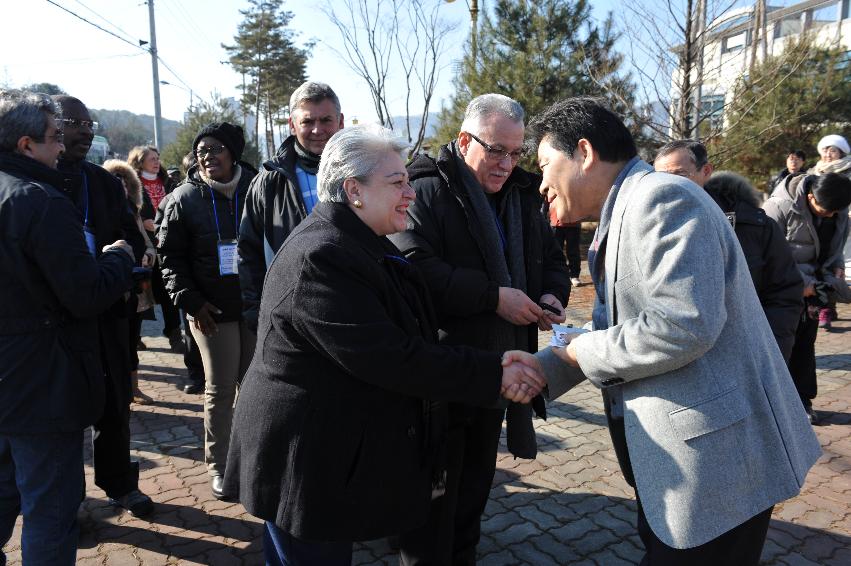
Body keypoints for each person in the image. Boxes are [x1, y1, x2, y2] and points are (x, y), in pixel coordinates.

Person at [223, 124, 547, 566]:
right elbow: (392, 357)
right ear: (353, 189)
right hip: (303, 460)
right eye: (397, 183)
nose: (410, 194)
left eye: (408, 181)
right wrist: (494, 373)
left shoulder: (359, 243)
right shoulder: (323, 256)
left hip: (327, 450)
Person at [527, 97, 821, 565]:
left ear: (583, 152)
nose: (541, 183)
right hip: (682, 461)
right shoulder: (624, 211)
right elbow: (617, 328)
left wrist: (576, 353)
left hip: (719, 464)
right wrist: (546, 367)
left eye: (545, 165)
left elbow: (683, 325)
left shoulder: (662, 198)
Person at [389, 93, 570, 565]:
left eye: (516, 152)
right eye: (496, 150)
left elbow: (552, 259)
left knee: (472, 494)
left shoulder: (524, 196)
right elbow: (412, 263)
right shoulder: (424, 188)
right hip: (440, 375)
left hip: (499, 372)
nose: (507, 164)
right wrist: (492, 297)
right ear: (465, 140)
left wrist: (553, 295)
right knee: (431, 504)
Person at [0, 89, 134, 565]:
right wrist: (117, 260)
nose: (63, 146)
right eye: (55, 137)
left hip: (11, 380)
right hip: (43, 385)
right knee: (51, 512)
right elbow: (85, 294)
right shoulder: (41, 200)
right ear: (25, 145)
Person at [53, 95, 154, 517]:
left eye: (88, 121)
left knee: (115, 402)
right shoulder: (33, 181)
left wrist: (134, 259)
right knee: (63, 411)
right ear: (51, 127)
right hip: (56, 318)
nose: (85, 130)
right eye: (74, 122)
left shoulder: (103, 182)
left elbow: (126, 234)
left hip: (109, 308)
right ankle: (68, 501)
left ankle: (119, 484)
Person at [158, 122, 258, 499]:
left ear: (233, 152)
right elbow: (169, 259)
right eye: (201, 150)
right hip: (208, 311)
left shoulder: (256, 188)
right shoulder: (185, 197)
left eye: (216, 148)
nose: (207, 156)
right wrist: (192, 301)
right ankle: (220, 466)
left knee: (251, 386)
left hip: (251, 306)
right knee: (219, 386)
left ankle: (249, 457)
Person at [654, 140, 803, 360]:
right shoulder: (649, 226)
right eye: (661, 177)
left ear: (705, 171)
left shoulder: (754, 227)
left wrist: (770, 351)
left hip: (744, 358)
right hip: (675, 363)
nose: (670, 185)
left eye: (680, 175)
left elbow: (785, 292)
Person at [238, 81, 344, 332]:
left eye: (326, 120)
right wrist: (256, 313)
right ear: (292, 124)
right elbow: (248, 252)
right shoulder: (268, 181)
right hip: (291, 316)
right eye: (308, 121)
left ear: (340, 121)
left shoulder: (365, 171)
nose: (317, 130)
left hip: (352, 307)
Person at [763, 172, 851, 423]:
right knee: (779, 348)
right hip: (782, 291)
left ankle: (803, 400)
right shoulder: (778, 207)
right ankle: (774, 406)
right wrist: (804, 285)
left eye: (837, 212)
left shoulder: (837, 209)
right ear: (810, 197)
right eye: (826, 211)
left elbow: (835, 248)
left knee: (805, 345)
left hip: (815, 292)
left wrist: (835, 273)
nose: (832, 216)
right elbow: (768, 256)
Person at [102, 158, 158, 404]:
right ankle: (118, 393)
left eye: (124, 182)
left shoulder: (132, 211)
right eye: (114, 181)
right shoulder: (100, 212)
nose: (120, 186)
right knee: (115, 342)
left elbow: (146, 243)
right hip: (111, 286)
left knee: (132, 338)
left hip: (135, 286)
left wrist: (148, 255)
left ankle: (133, 389)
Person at [127, 145, 183, 352]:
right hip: (142, 246)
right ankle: (136, 336)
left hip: (167, 244)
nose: (157, 161)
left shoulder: (168, 183)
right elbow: (126, 212)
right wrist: (142, 221)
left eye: (158, 157)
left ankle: (175, 335)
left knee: (170, 290)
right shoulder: (132, 184)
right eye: (152, 158)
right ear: (140, 161)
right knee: (141, 293)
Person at [809, 134, 851, 329]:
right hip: (817, 223)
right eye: (825, 150)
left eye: (832, 150)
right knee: (819, 263)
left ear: (841, 152)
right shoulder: (814, 172)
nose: (828, 154)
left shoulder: (848, 171)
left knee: (835, 266)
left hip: (841, 223)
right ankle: (822, 307)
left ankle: (828, 306)